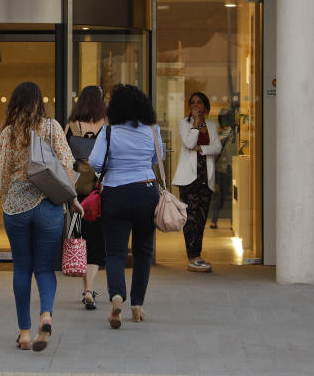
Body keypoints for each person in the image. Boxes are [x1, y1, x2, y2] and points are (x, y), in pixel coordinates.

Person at [0, 81, 82, 352]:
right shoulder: (52, 128)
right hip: (48, 205)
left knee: (22, 269)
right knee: (45, 268)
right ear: (40, 102)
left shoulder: (7, 134)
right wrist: (73, 200)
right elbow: (66, 167)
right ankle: (45, 315)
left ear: (14, 103)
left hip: (16, 208)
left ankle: (24, 334)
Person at [88, 84, 162, 329]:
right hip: (146, 192)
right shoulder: (152, 130)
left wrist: (111, 167)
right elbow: (156, 159)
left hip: (116, 194)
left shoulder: (109, 132)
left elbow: (96, 161)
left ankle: (117, 297)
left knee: (116, 253)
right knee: (143, 252)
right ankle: (138, 306)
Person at [65, 85, 107, 310]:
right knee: (97, 241)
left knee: (81, 239)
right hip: (100, 191)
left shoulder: (71, 127)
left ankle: (86, 289)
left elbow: (61, 158)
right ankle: (89, 289)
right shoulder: (106, 127)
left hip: (77, 192)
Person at [171, 92, 223, 272]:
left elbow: (217, 147)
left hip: (205, 178)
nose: (195, 105)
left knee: (201, 218)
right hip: (188, 178)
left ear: (205, 106)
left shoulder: (211, 125)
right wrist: (195, 124)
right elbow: (188, 143)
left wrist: (201, 148)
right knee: (190, 218)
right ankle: (193, 256)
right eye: (192, 102)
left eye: (199, 102)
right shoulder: (183, 124)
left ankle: (197, 254)